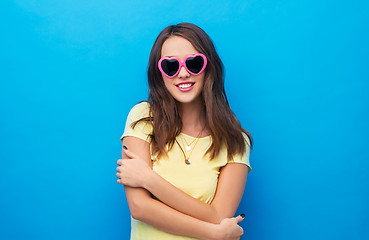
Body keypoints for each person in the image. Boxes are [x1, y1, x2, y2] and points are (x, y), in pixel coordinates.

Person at [116, 22, 253, 240]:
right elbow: (140, 208)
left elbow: (219, 215)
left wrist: (149, 180)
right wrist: (215, 233)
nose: (182, 73)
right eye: (170, 66)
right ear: (159, 73)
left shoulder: (236, 140)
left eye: (194, 63)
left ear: (209, 67)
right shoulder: (142, 119)